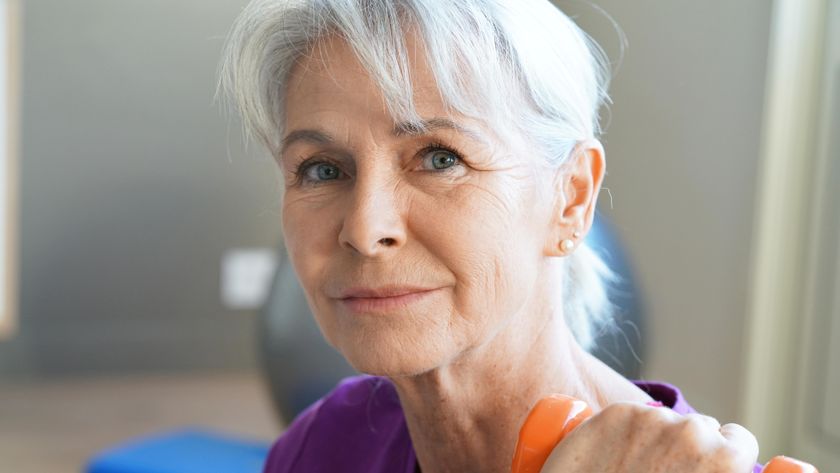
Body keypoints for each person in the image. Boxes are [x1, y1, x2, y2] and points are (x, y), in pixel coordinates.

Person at [219, 0, 764, 471]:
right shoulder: (324, 444)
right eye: (321, 169)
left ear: (570, 198)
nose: (365, 229)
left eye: (439, 158)